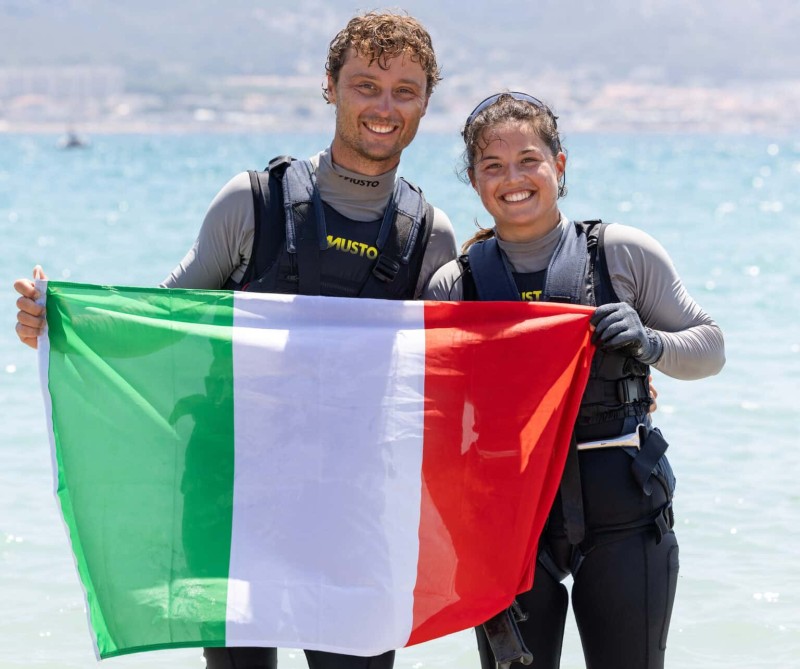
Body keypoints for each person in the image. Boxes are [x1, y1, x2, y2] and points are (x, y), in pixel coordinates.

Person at [14, 11, 458, 669]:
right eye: (366, 85)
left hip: (353, 512)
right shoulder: (252, 203)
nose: (384, 106)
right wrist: (62, 323)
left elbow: (457, 381)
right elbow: (162, 321)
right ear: (329, 87)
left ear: (426, 101)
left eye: (404, 90)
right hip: (234, 499)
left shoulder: (430, 236)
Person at [423, 92, 725, 669]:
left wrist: (652, 343)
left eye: (529, 160)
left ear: (559, 166)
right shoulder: (453, 286)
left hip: (625, 519)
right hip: (509, 531)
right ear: (474, 180)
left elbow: (710, 348)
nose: (513, 178)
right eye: (493, 166)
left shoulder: (621, 254)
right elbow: (430, 425)